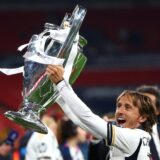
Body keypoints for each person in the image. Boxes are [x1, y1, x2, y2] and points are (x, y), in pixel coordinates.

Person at [46, 65, 157, 160]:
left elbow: (88, 117)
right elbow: (82, 122)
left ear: (142, 117)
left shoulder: (133, 137)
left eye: (128, 107)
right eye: (119, 106)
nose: (120, 111)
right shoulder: (136, 136)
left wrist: (61, 84)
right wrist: (59, 97)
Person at [136, 85, 160, 159]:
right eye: (140, 103)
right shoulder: (124, 132)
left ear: (157, 111)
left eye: (148, 103)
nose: (143, 107)